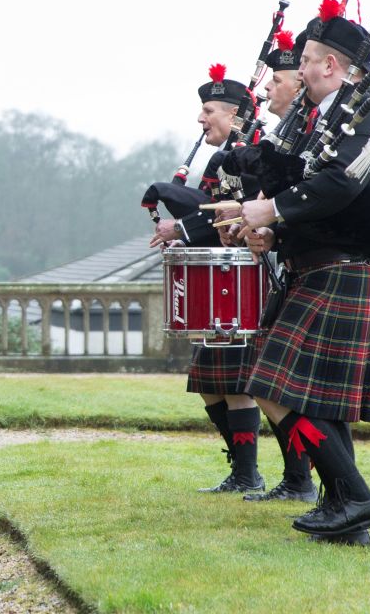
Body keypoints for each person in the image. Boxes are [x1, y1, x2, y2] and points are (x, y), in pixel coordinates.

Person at [237, 0, 370, 545]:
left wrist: (273, 211)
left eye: (305, 59)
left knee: (274, 383)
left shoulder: (368, 114)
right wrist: (272, 231)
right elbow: (306, 197)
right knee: (312, 396)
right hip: (311, 267)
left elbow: (344, 183)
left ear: (331, 65)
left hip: (346, 270)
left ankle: (355, 498)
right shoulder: (319, 121)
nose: (297, 68)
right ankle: (344, 516)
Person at [151, 64, 264, 494]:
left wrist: (179, 230)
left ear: (236, 116)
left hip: (247, 284)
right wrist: (182, 233)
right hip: (219, 285)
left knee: (238, 388)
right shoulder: (218, 161)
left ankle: (260, 475)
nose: (201, 119)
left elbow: (253, 208)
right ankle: (242, 469)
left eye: (209, 111)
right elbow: (207, 212)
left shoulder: (258, 150)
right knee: (211, 388)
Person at [222, 29, 319, 504]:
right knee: (267, 384)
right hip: (298, 268)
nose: (266, 90)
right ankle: (316, 488)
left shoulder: (322, 135)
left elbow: (326, 198)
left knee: (282, 388)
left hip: (324, 272)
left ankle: (327, 489)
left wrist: (267, 224)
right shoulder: (284, 138)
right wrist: (265, 230)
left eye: (277, 80)